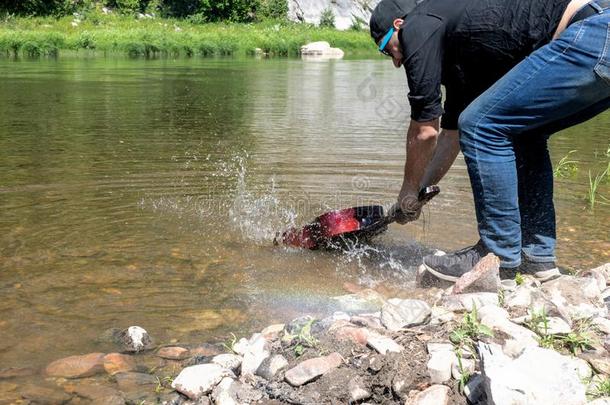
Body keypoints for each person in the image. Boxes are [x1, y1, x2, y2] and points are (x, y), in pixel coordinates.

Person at [370, 0, 610, 282]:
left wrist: (407, 190)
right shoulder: (464, 50)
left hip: (595, 32)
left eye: (387, 49)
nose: (397, 61)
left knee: (482, 125)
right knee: (522, 133)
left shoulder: (418, 23)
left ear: (399, 24)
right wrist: (418, 194)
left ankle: (496, 255)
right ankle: (536, 259)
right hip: (598, 37)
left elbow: (425, 130)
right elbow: (452, 135)